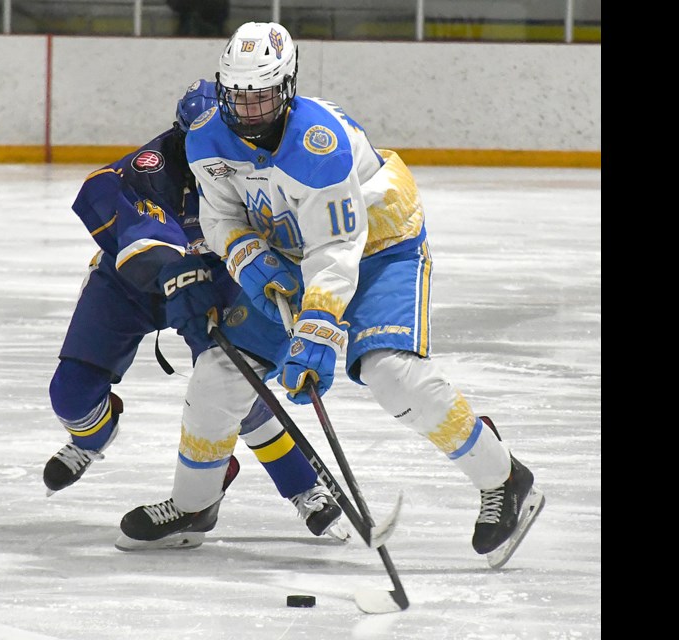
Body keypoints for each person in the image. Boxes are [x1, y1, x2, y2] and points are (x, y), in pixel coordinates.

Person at [118, 23, 544, 566]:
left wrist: (317, 332)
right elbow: (219, 213)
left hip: (378, 247)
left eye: (263, 97)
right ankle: (194, 506)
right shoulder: (206, 139)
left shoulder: (319, 143)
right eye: (239, 97)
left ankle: (505, 478)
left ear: (288, 86)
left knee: (389, 371)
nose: (249, 112)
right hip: (294, 251)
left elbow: (337, 247)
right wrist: (250, 256)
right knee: (220, 373)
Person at [42, 78, 346, 549]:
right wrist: (171, 266)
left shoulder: (252, 168)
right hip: (130, 283)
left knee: (232, 384)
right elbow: (100, 189)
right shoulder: (156, 165)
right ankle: (91, 437)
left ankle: (303, 488)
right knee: (70, 393)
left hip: (218, 283)